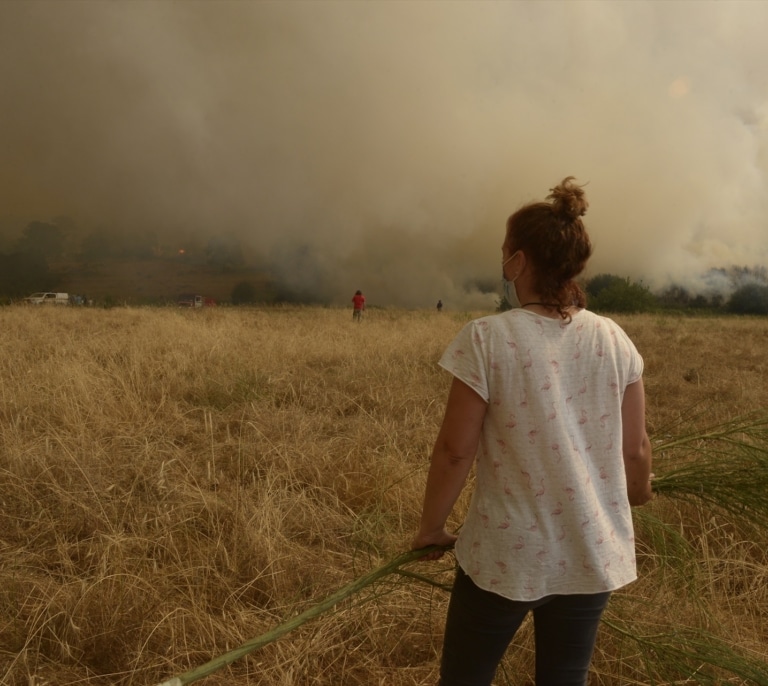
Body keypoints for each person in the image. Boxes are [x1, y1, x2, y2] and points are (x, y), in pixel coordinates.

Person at [411, 177, 653, 686]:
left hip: (504, 555)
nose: (502, 263)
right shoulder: (615, 340)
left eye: (505, 252)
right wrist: (637, 492)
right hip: (589, 551)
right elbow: (636, 450)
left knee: (465, 678)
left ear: (518, 262)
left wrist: (431, 529)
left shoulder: (486, 339)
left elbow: (455, 452)